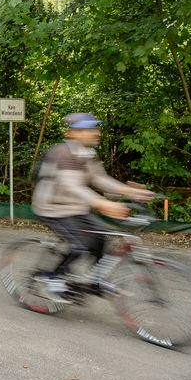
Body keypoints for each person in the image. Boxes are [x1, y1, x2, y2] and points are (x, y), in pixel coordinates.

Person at [31, 113, 154, 302]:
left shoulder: (87, 153)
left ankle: (95, 281)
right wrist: (101, 203)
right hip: (53, 208)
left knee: (100, 239)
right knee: (79, 245)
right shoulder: (63, 153)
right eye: (87, 129)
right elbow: (72, 186)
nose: (95, 133)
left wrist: (129, 191)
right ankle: (52, 278)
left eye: (95, 128)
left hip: (76, 208)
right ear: (72, 133)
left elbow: (99, 179)